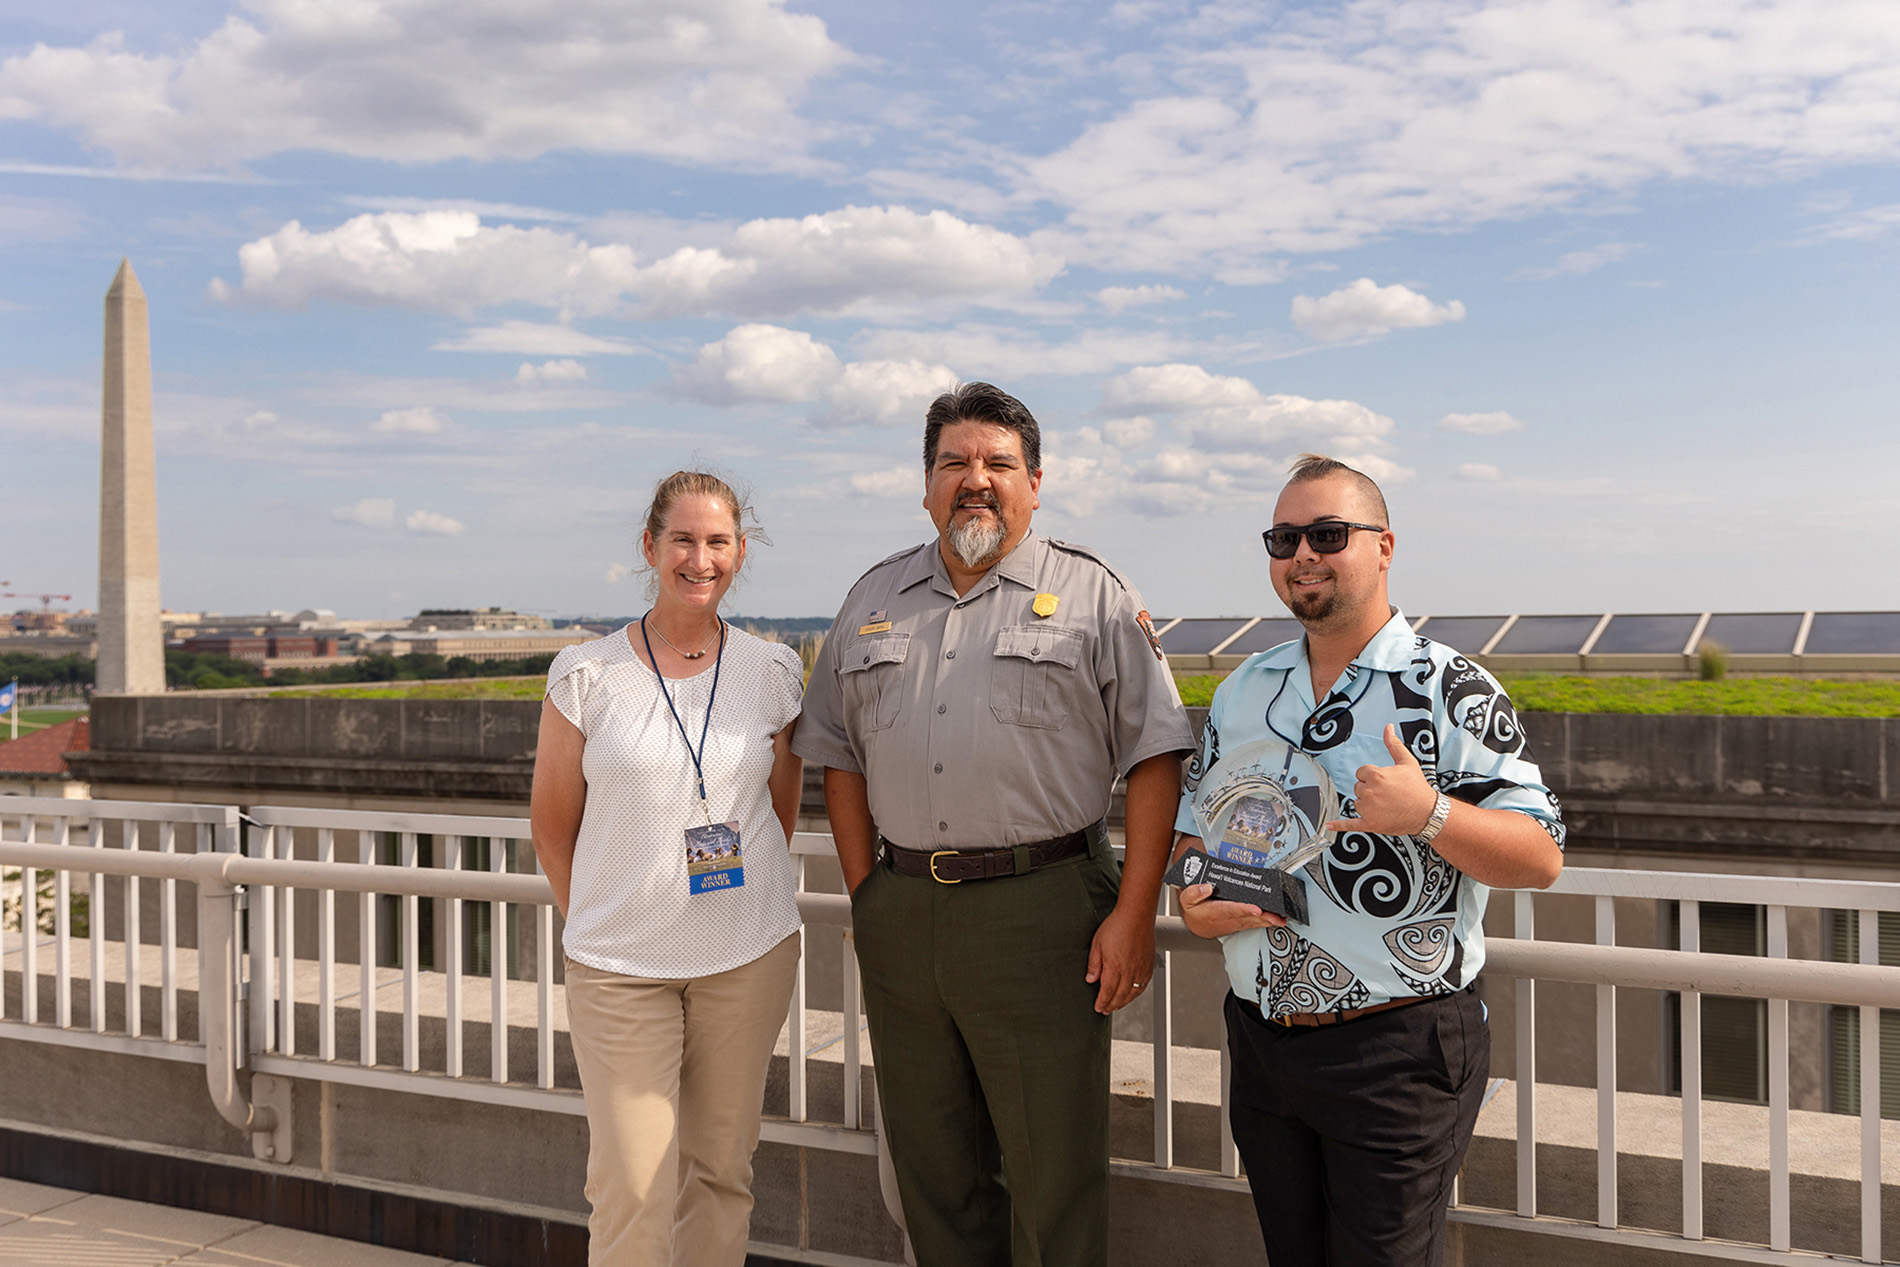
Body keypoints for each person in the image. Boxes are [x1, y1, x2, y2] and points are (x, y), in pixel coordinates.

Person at [795, 381, 1195, 1266]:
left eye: (997, 463)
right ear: (927, 484)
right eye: (954, 463)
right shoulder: (873, 596)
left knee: (1054, 1178)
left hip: (1044, 912)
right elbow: (840, 758)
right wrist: (869, 896)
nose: (976, 479)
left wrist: (1133, 915)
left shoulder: (1091, 594)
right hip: (905, 912)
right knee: (937, 1173)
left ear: (1035, 482)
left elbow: (1158, 756)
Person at [1175, 453, 1565, 1266]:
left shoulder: (1450, 688)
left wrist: (1427, 811)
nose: (1302, 555)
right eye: (1284, 537)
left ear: (1384, 547)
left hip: (1397, 1048)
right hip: (1263, 1040)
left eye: (1327, 533)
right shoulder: (1246, 687)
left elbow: (1541, 854)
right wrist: (1193, 895)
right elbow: (1193, 836)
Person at [531, 471, 805, 1266]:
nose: (700, 557)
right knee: (631, 1187)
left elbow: (776, 816)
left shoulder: (775, 673)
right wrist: (611, 916)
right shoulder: (586, 675)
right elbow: (553, 829)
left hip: (746, 958)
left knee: (721, 1174)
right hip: (620, 969)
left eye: (717, 541)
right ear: (650, 547)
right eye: (682, 539)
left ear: (739, 553)